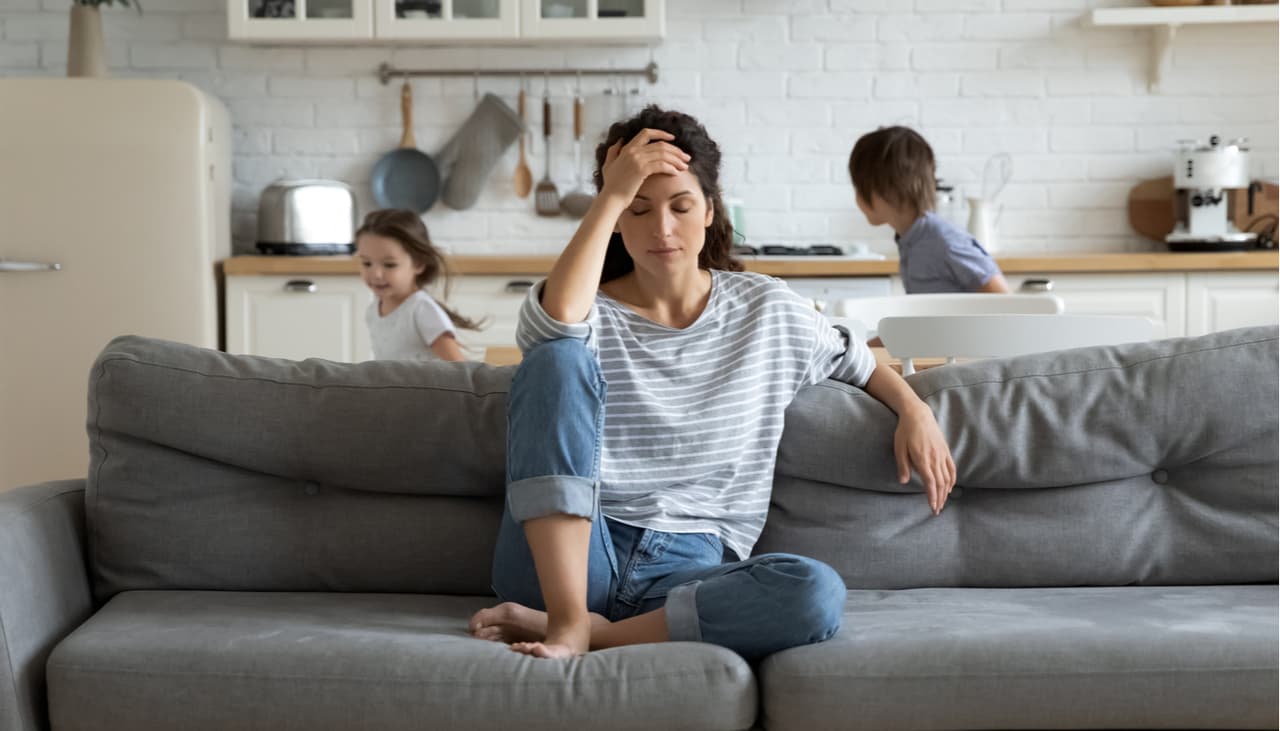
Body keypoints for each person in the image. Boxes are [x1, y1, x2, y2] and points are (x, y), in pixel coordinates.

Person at [468, 107, 957, 662]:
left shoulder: (766, 310)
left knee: (814, 592)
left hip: (688, 568)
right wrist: (610, 191)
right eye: (638, 208)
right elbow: (554, 325)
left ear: (709, 211)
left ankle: (585, 631)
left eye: (680, 206)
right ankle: (567, 614)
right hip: (572, 549)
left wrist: (915, 409)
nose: (662, 229)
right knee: (556, 358)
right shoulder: (586, 310)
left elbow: (861, 363)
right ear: (616, 219)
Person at [849, 126, 1010, 294]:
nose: (857, 197)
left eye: (859, 188)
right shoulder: (910, 239)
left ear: (886, 190)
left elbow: (1003, 301)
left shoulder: (945, 240)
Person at [354, 209, 481, 362]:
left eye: (389, 264)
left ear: (419, 263)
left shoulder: (422, 310)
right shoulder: (373, 311)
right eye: (367, 263)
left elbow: (460, 369)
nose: (376, 274)